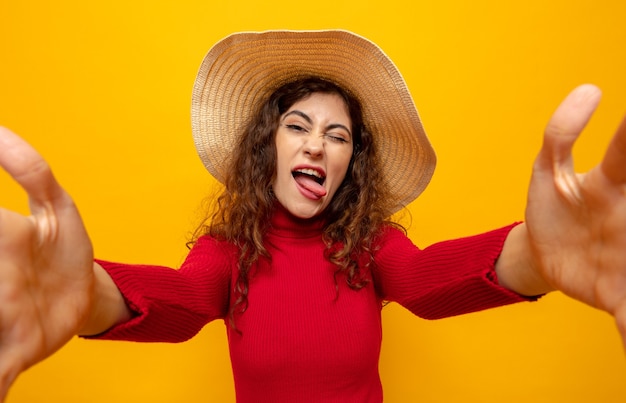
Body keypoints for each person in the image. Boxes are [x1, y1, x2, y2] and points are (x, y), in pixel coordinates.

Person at [0, 30, 624, 402]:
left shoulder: (369, 246)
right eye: (296, 127)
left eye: (339, 136)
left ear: (352, 162)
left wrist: (539, 256)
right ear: (266, 147)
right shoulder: (228, 254)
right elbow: (181, 300)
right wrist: (85, 295)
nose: (317, 145)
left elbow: (430, 281)